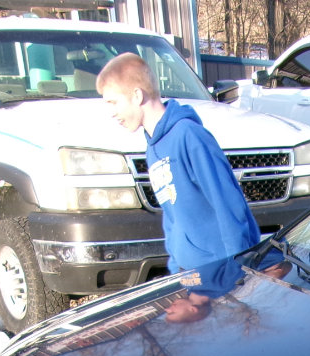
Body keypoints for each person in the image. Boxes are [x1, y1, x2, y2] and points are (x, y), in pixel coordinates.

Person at [97, 52, 260, 273]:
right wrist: (176, 270)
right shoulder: (153, 148)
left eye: (114, 102)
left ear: (137, 95)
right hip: (190, 273)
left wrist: (238, 268)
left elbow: (228, 203)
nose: (112, 113)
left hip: (221, 270)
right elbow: (172, 216)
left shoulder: (189, 135)